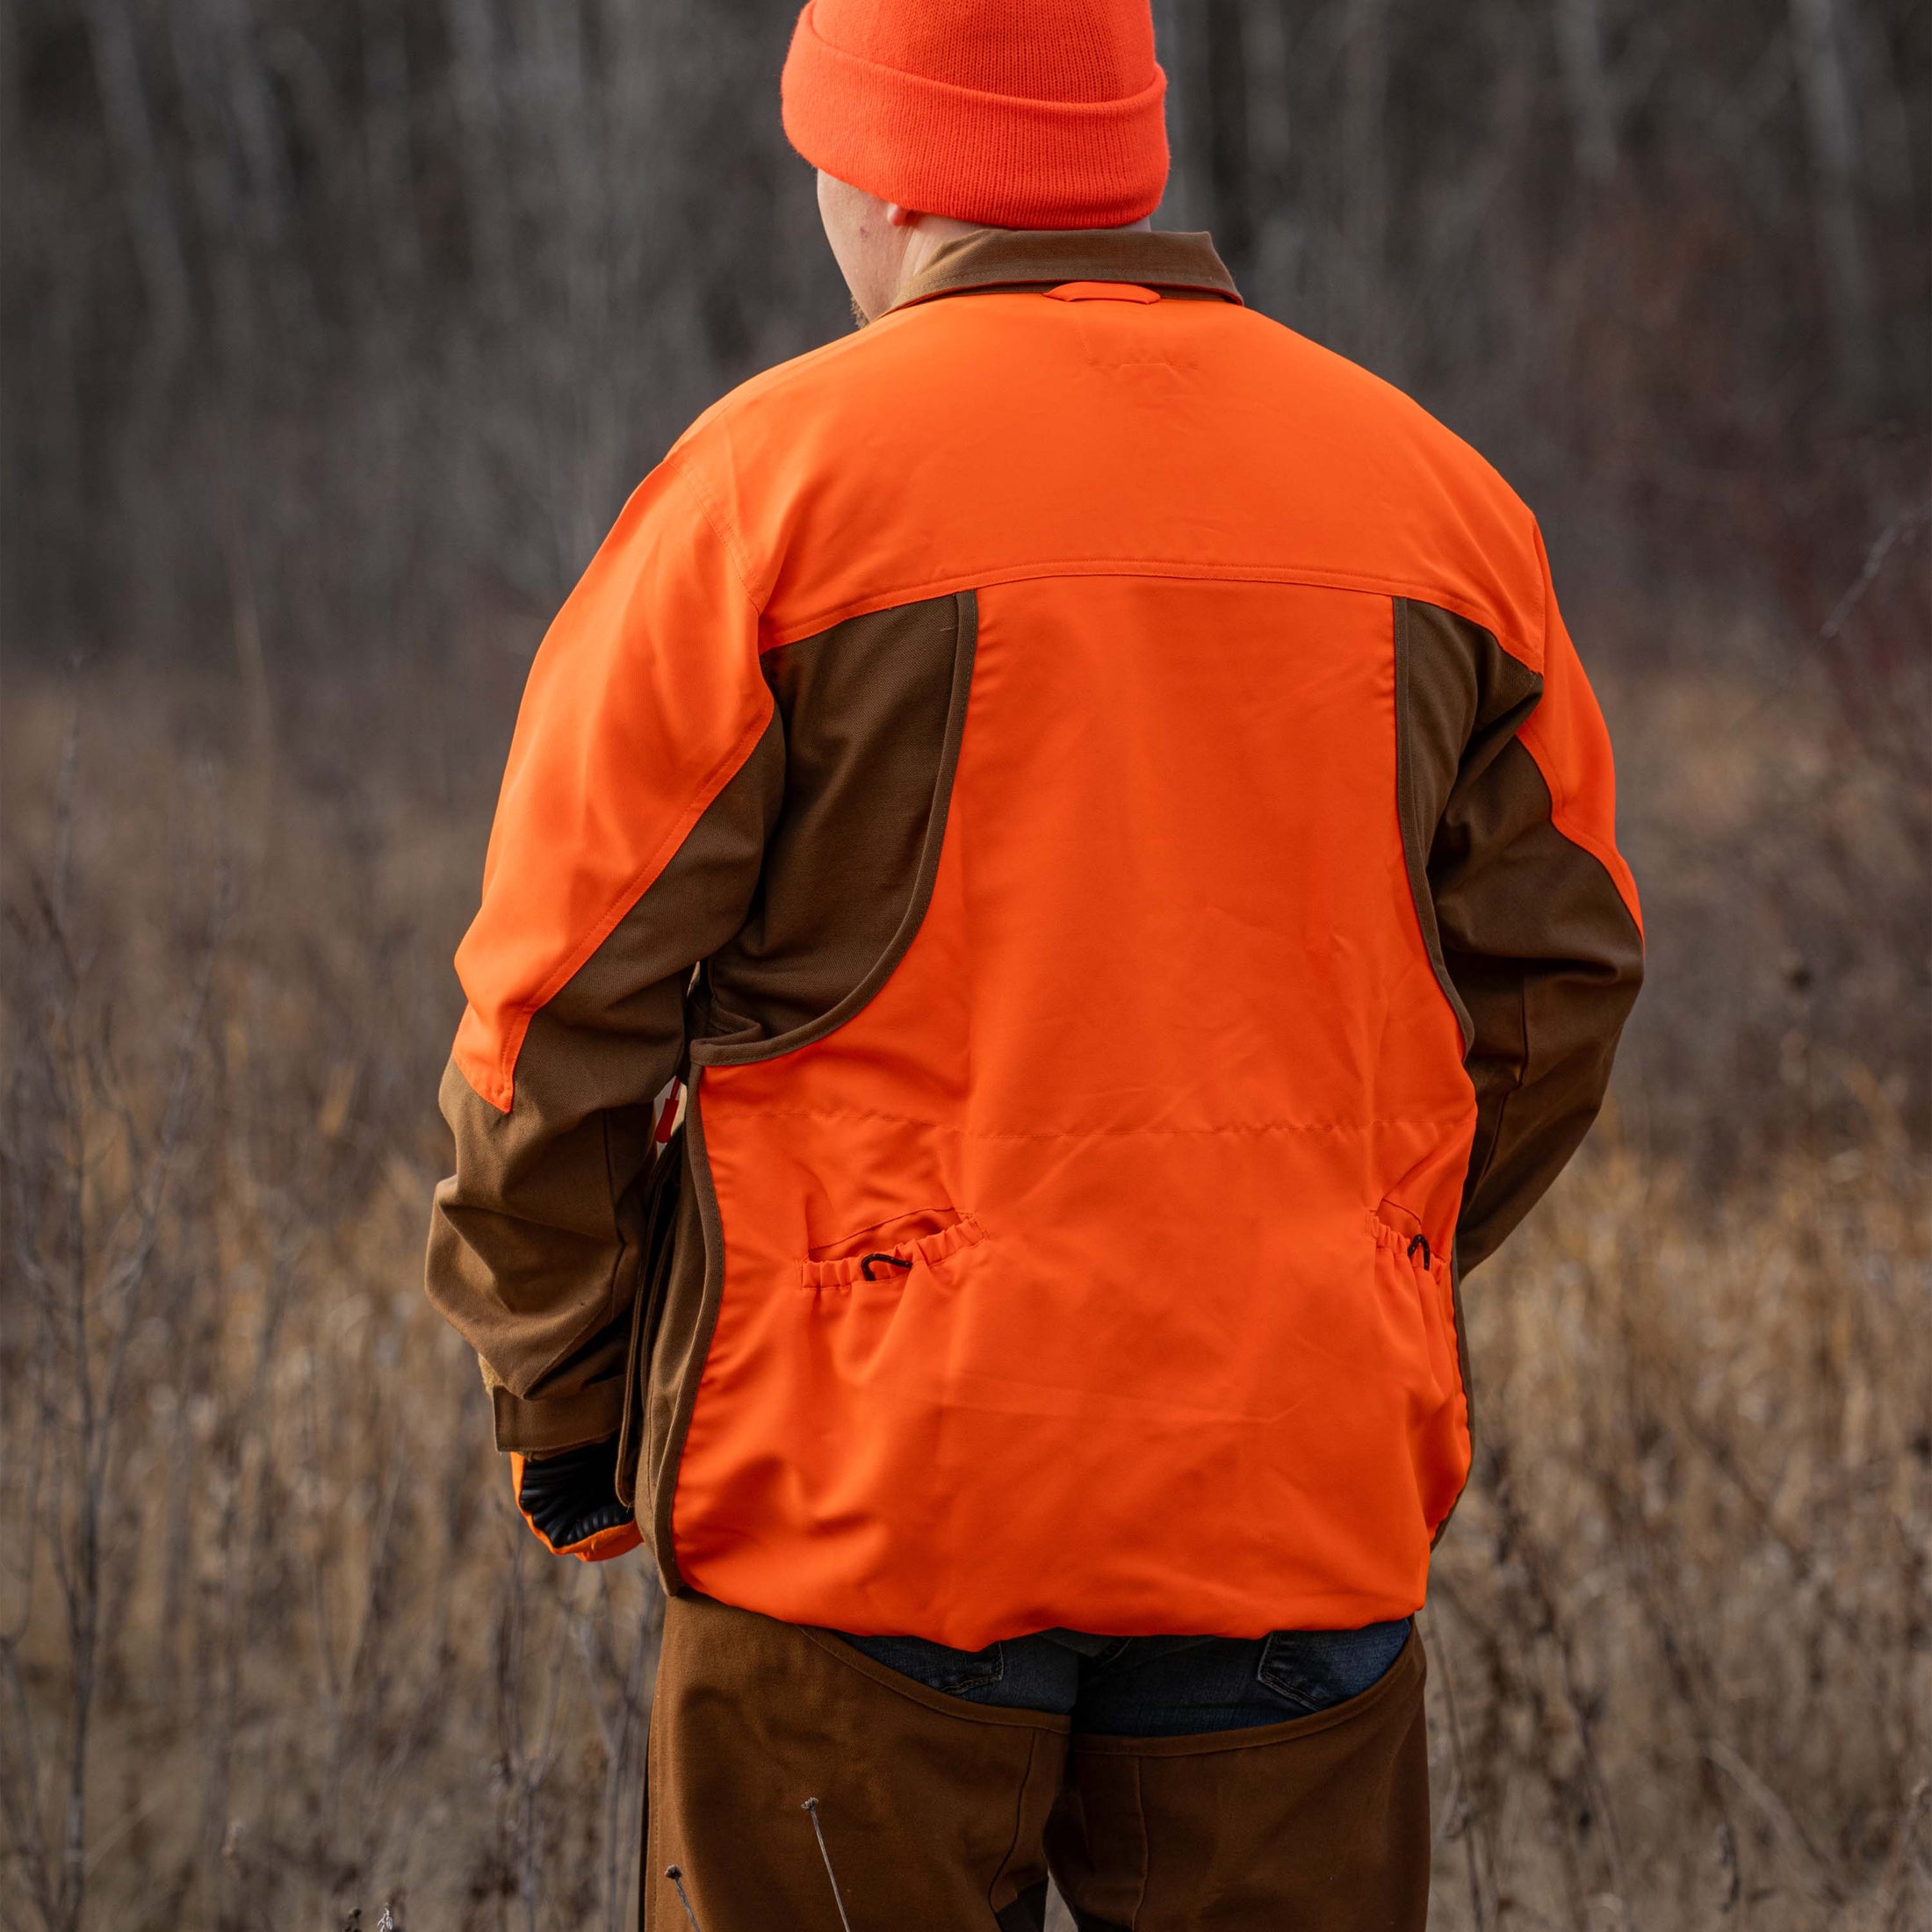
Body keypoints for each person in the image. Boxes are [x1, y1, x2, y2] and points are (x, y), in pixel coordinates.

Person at [424, 1, 1644, 1924]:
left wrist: (571, 1403)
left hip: (863, 1499)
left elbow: (555, 1011)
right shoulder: (1434, 499)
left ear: (886, 166)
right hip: (1285, 1477)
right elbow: (1558, 980)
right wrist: (1336, 1261)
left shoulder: (769, 488)